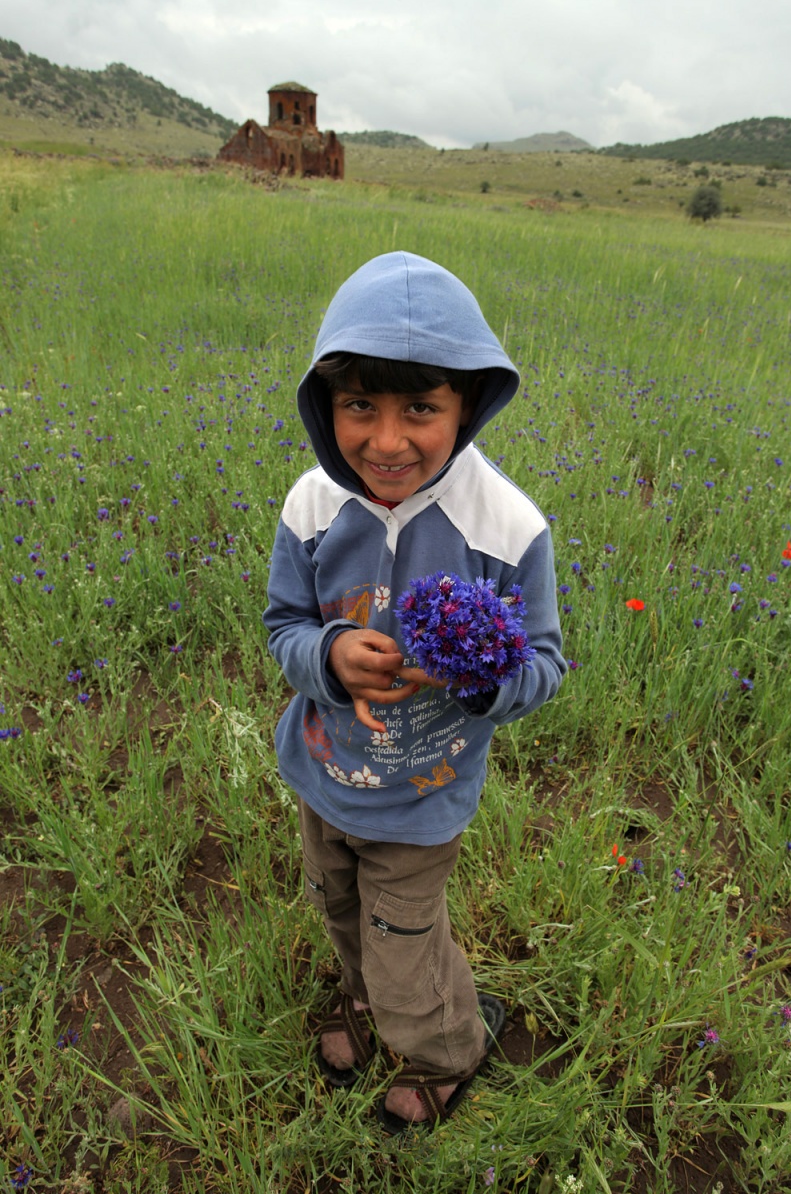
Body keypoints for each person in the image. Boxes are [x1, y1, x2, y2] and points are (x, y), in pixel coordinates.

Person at [263, 250, 565, 1132]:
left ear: (469, 404)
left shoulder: (507, 528)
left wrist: (474, 675)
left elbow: (543, 663)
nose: (386, 440)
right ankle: (367, 1004)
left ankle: (446, 1049)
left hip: (421, 796)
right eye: (359, 404)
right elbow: (283, 625)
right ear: (326, 405)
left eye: (420, 408)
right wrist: (324, 656)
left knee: (404, 942)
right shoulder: (312, 505)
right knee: (339, 911)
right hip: (325, 774)